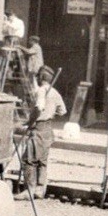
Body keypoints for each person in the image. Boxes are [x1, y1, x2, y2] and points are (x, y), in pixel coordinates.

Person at [22, 66, 68, 199]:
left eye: (37, 76)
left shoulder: (41, 91)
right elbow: (62, 111)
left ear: (40, 78)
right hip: (48, 128)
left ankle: (29, 190)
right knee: (42, 160)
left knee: (29, 159)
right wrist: (50, 112)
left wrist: (31, 121)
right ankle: (40, 190)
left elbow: (38, 107)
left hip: (39, 127)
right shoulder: (54, 92)